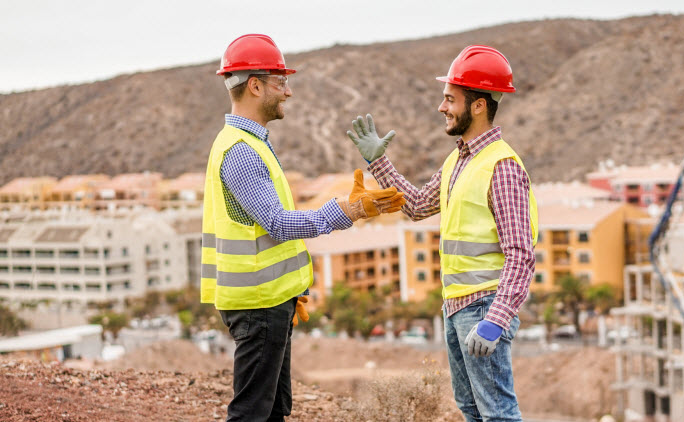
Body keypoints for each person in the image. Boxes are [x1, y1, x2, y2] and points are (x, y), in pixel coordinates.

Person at [200, 34, 405, 422]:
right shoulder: (241, 151)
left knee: (275, 409)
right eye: (281, 82)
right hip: (259, 301)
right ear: (255, 85)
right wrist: (346, 211)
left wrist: (292, 292)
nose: (288, 92)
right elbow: (277, 223)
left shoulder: (248, 143)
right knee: (251, 413)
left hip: (271, 300)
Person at [347, 45, 538, 422]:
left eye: (450, 98)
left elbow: (521, 254)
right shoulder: (459, 159)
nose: (442, 107)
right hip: (457, 308)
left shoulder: (501, 167)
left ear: (479, 105)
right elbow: (417, 205)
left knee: (498, 413)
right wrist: (378, 162)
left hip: (483, 309)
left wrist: (496, 319)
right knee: (472, 410)